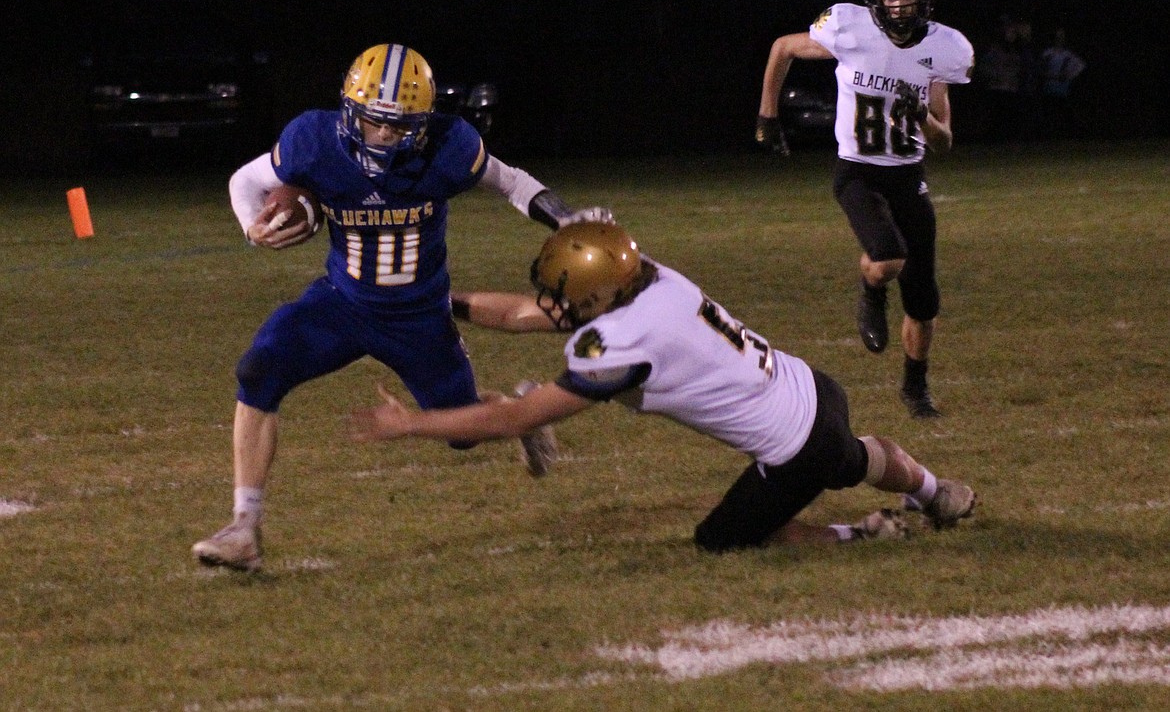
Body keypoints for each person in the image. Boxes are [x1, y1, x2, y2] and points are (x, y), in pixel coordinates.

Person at [192, 43, 610, 572]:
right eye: (374, 122)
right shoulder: (314, 141)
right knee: (258, 370)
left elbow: (508, 179)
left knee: (462, 435)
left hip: (419, 316)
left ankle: (518, 413)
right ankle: (243, 529)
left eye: (400, 125)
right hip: (341, 302)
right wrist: (252, 227)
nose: (386, 135)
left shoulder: (447, 145)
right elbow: (246, 181)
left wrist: (563, 217)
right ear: (350, 111)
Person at [352, 222, 978, 553]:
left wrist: (412, 425)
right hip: (812, 389)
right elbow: (525, 311)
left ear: (601, 294)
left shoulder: (621, 344)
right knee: (853, 453)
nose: (555, 304)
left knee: (724, 541)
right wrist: (443, 303)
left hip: (793, 447)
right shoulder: (652, 281)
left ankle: (862, 535)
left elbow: (516, 418)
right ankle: (936, 492)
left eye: (568, 295)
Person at [755, 0, 974, 419]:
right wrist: (767, 118)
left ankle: (915, 387)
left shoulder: (942, 48)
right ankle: (871, 288)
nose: (899, 4)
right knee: (889, 256)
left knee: (923, 297)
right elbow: (782, 49)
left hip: (908, 174)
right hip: (858, 170)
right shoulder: (848, 29)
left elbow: (945, 141)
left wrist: (922, 118)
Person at [1039, 27, 1087, 139]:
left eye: (1061, 36)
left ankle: (1062, 135)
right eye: (1057, 36)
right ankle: (1049, 136)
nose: (1059, 38)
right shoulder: (1047, 53)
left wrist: (1069, 76)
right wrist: (1048, 76)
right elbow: (1041, 68)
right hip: (1049, 87)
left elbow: (1081, 65)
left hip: (1063, 88)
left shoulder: (1068, 54)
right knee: (1049, 112)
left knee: (1062, 111)